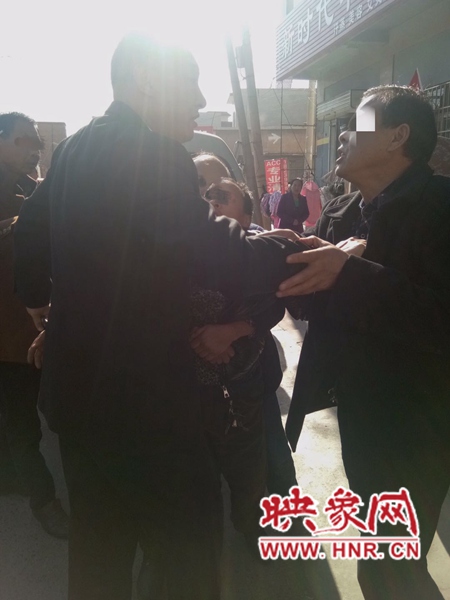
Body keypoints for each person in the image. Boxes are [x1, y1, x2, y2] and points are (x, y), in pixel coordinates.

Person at [14, 33, 317, 600]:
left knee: (99, 552)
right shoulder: (152, 153)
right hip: (148, 406)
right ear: (146, 80)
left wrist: (45, 309)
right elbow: (209, 247)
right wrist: (295, 253)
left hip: (78, 401)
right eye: (190, 83)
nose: (200, 99)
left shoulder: (74, 149)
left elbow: (27, 244)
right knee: (186, 558)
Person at [277, 85, 450, 600]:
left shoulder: (441, 208)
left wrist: (349, 272)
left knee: (390, 562)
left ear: (398, 136)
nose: (343, 135)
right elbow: (319, 309)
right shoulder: (342, 211)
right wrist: (295, 271)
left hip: (423, 417)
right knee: (385, 551)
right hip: (360, 407)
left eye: (359, 123)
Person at [204, 178, 298, 496]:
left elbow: (274, 304)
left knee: (273, 458)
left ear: (246, 217)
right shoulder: (172, 249)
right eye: (206, 195)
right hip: (195, 389)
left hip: (252, 382)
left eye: (222, 196)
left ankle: (289, 517)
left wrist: (235, 330)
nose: (211, 201)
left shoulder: (261, 250)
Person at [0, 112, 69, 538]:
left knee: (50, 413)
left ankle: (14, 478)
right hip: (8, 337)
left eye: (38, 142)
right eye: (23, 140)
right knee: (21, 422)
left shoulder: (35, 191)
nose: (35, 149)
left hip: (40, 328)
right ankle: (43, 501)